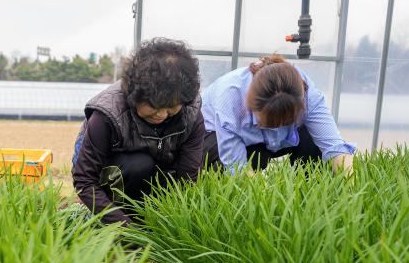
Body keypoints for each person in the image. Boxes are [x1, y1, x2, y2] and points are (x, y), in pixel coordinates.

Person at [71, 38, 205, 224]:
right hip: (115, 173)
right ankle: (117, 217)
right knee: (139, 164)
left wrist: (174, 224)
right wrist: (126, 230)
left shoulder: (190, 114)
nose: (163, 115)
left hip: (154, 171)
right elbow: (85, 180)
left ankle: (147, 218)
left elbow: (187, 179)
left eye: (172, 107)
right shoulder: (106, 115)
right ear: (134, 94)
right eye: (154, 106)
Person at [201, 54, 355, 174]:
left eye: (286, 122)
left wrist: (351, 193)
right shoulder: (230, 98)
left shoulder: (303, 90)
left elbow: (335, 147)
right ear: (252, 105)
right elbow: (236, 166)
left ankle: (307, 190)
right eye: (269, 123)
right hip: (214, 135)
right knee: (254, 159)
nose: (277, 128)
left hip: (270, 141)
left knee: (312, 140)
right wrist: (270, 203)